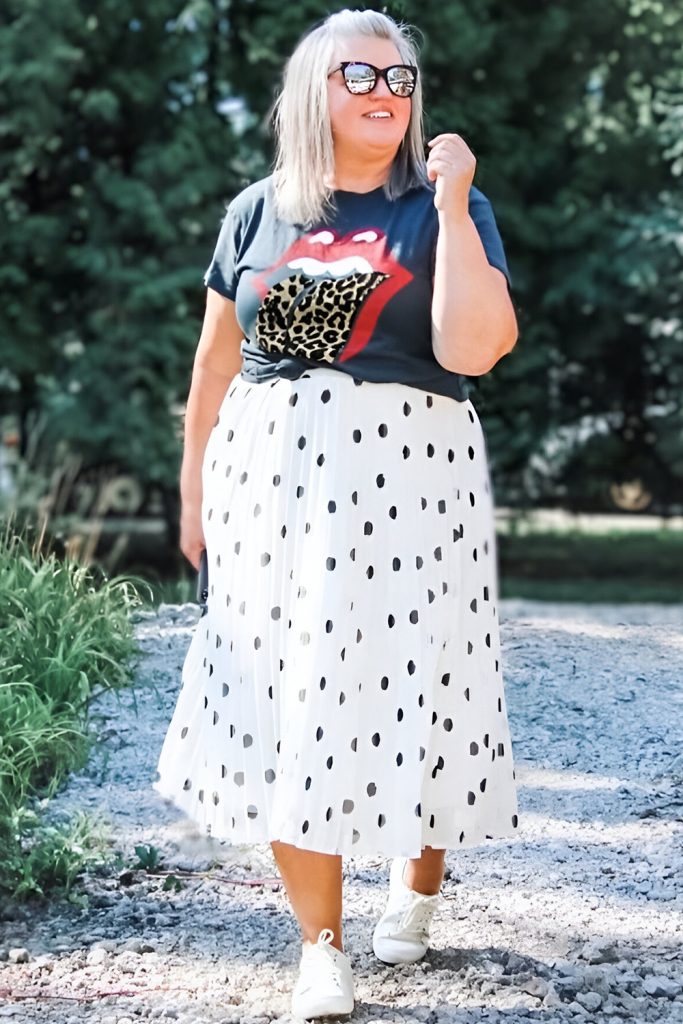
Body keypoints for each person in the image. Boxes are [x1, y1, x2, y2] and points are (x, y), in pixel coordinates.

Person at [153, 8, 520, 1019]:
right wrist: (192, 492)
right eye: (361, 76)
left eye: (400, 83)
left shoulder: (444, 203)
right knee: (286, 696)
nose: (383, 96)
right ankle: (320, 945)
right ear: (315, 87)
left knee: (424, 680)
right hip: (269, 481)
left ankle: (416, 883)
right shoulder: (259, 212)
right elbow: (215, 363)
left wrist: (450, 207)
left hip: (413, 477)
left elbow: (473, 347)